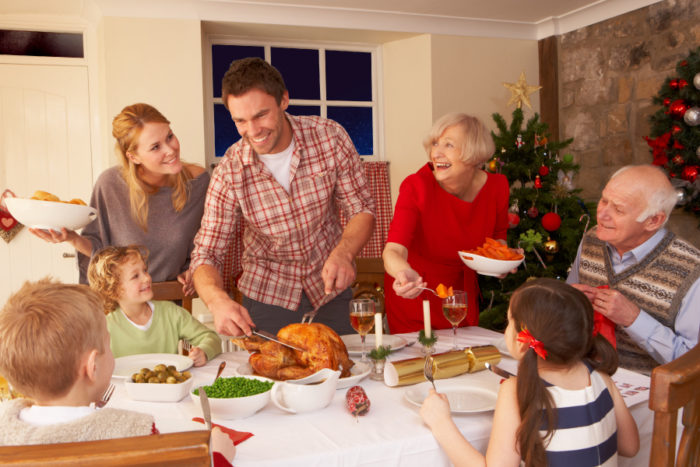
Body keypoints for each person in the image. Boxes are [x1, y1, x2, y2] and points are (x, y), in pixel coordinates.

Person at [190, 57, 375, 336]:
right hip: (266, 297)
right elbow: (206, 252)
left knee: (343, 374)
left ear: (284, 100)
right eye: (240, 120)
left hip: (330, 290)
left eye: (261, 115)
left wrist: (345, 253)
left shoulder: (329, 137)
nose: (252, 131)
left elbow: (361, 208)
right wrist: (217, 301)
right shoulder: (230, 169)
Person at [0, 279, 235, 465]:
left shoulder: (5, 428)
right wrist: (217, 458)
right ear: (93, 366)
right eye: (107, 344)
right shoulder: (134, 430)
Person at [420, 278, 639, 466]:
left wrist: (441, 423)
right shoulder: (599, 378)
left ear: (523, 339)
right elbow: (630, 446)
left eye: (508, 322)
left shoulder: (515, 391)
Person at [29, 103, 209, 295]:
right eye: (156, 147)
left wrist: (194, 268)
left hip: (170, 308)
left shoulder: (198, 184)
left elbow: (205, 243)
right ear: (133, 157)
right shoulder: (110, 185)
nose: (171, 150)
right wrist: (72, 238)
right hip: (119, 309)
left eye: (170, 136)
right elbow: (102, 251)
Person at [382, 113, 510, 333]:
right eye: (434, 144)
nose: (436, 153)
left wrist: (502, 259)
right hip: (417, 294)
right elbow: (393, 250)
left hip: (460, 299)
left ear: (474, 153)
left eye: (448, 145)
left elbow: (498, 237)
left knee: (462, 362)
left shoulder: (497, 187)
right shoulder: (416, 187)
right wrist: (404, 273)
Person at [567, 164, 700, 375]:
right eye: (604, 200)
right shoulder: (592, 239)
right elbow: (567, 302)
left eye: (618, 209)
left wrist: (634, 319)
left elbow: (692, 363)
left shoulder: (692, 271)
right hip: (585, 376)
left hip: (652, 395)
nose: (602, 215)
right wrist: (570, 299)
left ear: (653, 221)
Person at [88, 246, 221, 365]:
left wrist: (203, 351)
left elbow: (211, 338)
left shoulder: (171, 313)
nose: (147, 278)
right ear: (113, 291)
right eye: (135, 276)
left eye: (145, 271)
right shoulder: (105, 326)